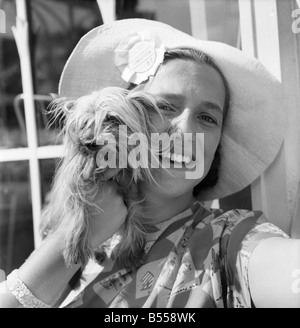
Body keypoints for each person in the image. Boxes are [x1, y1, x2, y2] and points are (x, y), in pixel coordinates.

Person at [0, 18, 299, 308]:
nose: (185, 131)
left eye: (207, 118)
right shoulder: (60, 230)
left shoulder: (226, 242)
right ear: (124, 119)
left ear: (216, 146)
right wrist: (78, 234)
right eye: (165, 107)